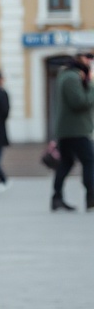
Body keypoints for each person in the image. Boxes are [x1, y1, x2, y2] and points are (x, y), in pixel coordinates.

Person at [50, 50, 94, 212]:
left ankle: (57, 198)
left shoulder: (69, 75)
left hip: (69, 130)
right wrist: (92, 87)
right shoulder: (71, 77)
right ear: (78, 59)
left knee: (66, 163)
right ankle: (91, 198)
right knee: (89, 161)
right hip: (76, 130)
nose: (90, 61)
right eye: (87, 57)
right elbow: (79, 102)